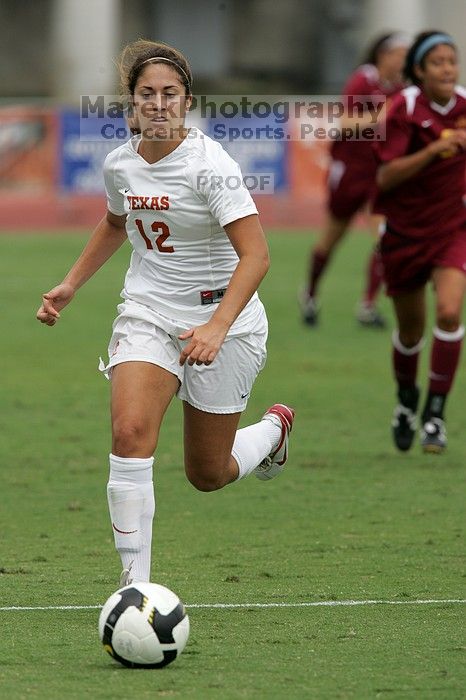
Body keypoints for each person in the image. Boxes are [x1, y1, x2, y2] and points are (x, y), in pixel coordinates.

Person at [36, 40, 295, 585]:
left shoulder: (210, 166)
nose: (158, 104)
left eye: (169, 94)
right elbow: (115, 224)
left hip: (225, 323)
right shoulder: (120, 163)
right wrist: (71, 284)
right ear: (131, 104)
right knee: (129, 432)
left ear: (186, 101)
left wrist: (217, 327)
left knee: (208, 473)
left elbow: (258, 255)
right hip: (148, 312)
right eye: (146, 94)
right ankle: (135, 589)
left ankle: (272, 431)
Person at [374, 31, 466, 453]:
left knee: (448, 313)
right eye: (438, 62)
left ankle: (435, 413)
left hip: (453, 230)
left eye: (452, 60)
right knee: (410, 332)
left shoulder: (465, 106)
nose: (448, 69)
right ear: (419, 70)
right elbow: (386, 176)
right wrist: (436, 150)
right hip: (405, 233)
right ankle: (406, 403)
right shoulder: (404, 109)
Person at [300, 32, 410, 328]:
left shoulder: (402, 88)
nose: (404, 60)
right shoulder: (364, 80)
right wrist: (380, 116)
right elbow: (345, 122)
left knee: (384, 238)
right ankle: (309, 294)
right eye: (400, 53)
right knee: (332, 237)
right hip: (350, 171)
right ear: (384, 55)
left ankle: (368, 305)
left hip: (380, 175)